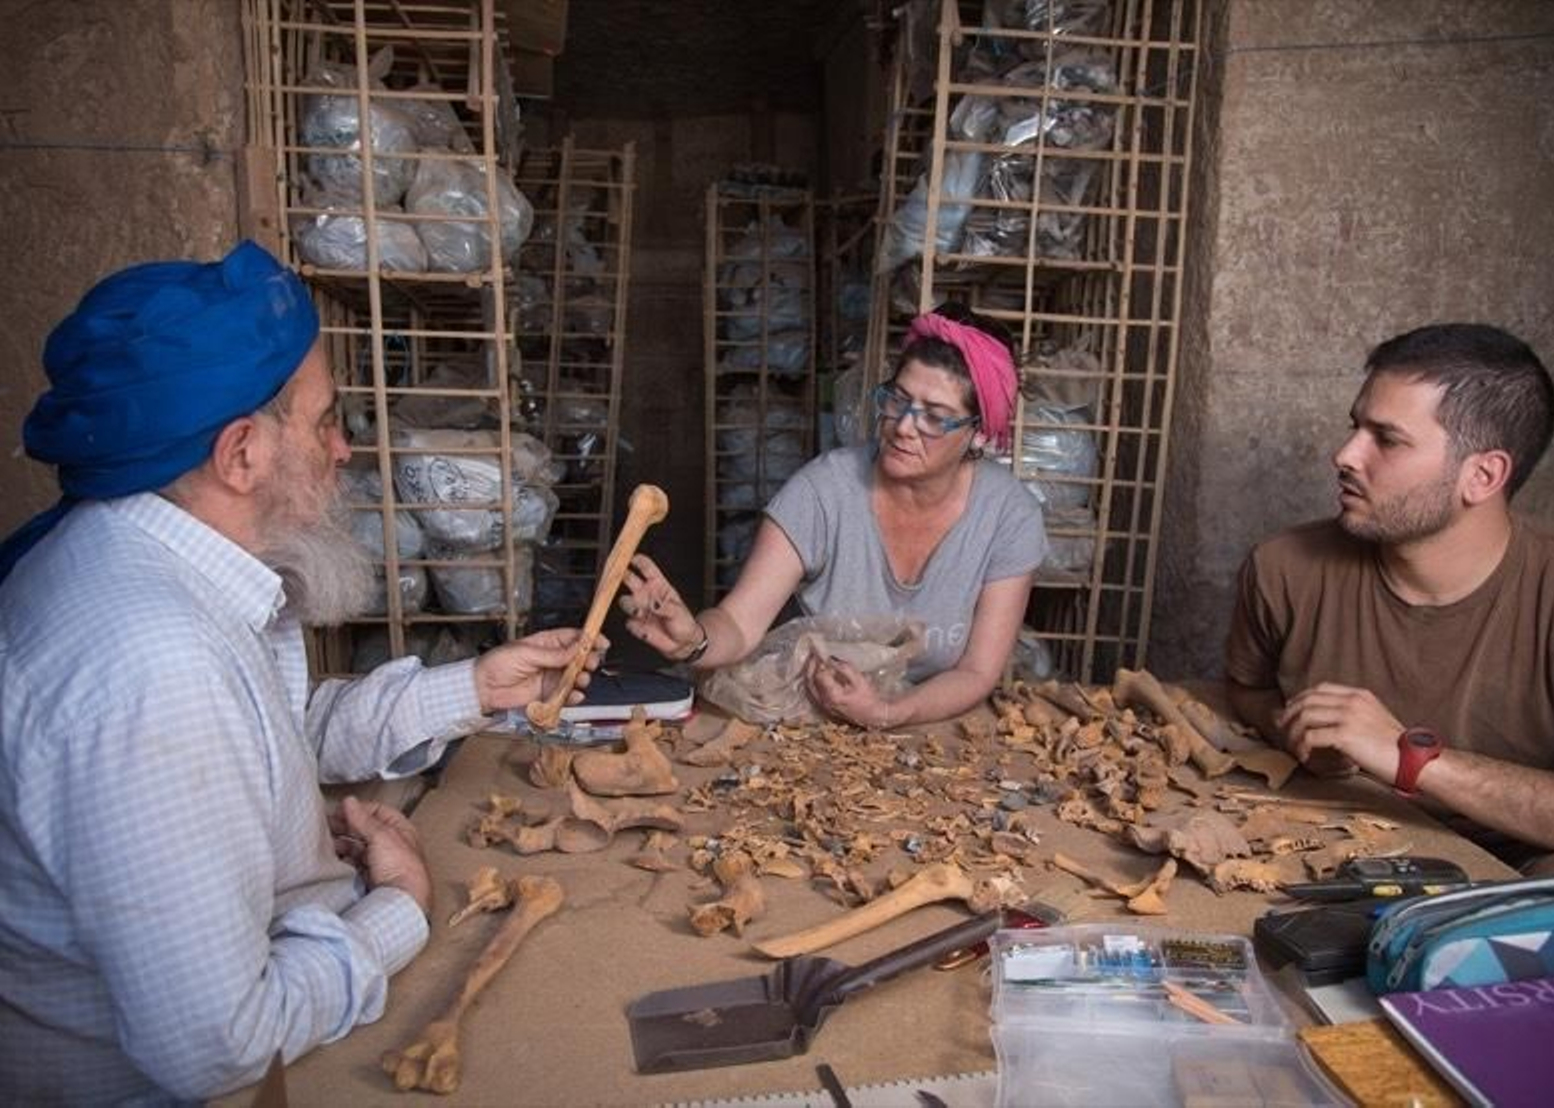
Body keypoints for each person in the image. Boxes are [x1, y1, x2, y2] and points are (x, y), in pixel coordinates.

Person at [0, 241, 601, 1102]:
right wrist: (398, 906)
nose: (345, 450)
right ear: (241, 452)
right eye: (325, 421)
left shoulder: (158, 568)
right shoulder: (151, 663)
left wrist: (474, 688)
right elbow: (215, 1046)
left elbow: (267, 729)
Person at [1226, 323, 1554, 875]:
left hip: (1519, 880)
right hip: (1330, 855)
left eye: (1388, 439)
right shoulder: (1284, 568)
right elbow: (1246, 689)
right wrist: (1297, 727)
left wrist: (1412, 760)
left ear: (1483, 475)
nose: (1345, 454)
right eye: (1355, 427)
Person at [623, 302, 1047, 729]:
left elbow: (977, 671)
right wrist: (693, 642)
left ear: (976, 431)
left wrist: (886, 712)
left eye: (935, 418)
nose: (903, 426)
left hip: (931, 723)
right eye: (898, 400)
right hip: (811, 721)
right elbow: (739, 621)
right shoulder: (823, 491)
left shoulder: (1008, 516)